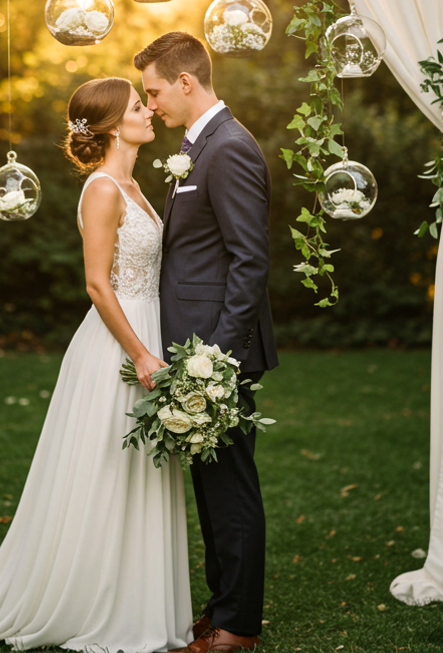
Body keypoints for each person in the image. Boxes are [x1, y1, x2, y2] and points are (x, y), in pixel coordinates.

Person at [0, 76, 192, 653]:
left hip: (149, 329)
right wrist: (142, 354)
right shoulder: (103, 189)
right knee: (108, 470)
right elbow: (98, 285)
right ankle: (97, 602)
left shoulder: (133, 182)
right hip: (121, 343)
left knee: (142, 473)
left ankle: (139, 599)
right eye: (137, 106)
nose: (149, 111)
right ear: (109, 127)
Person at [135, 32, 278, 653]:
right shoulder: (199, 146)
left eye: (154, 91)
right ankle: (221, 612)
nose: (151, 104)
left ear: (186, 83)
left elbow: (250, 262)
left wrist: (216, 359)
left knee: (231, 490)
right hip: (197, 352)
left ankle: (237, 629)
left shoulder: (229, 149)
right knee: (212, 490)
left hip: (218, 353)